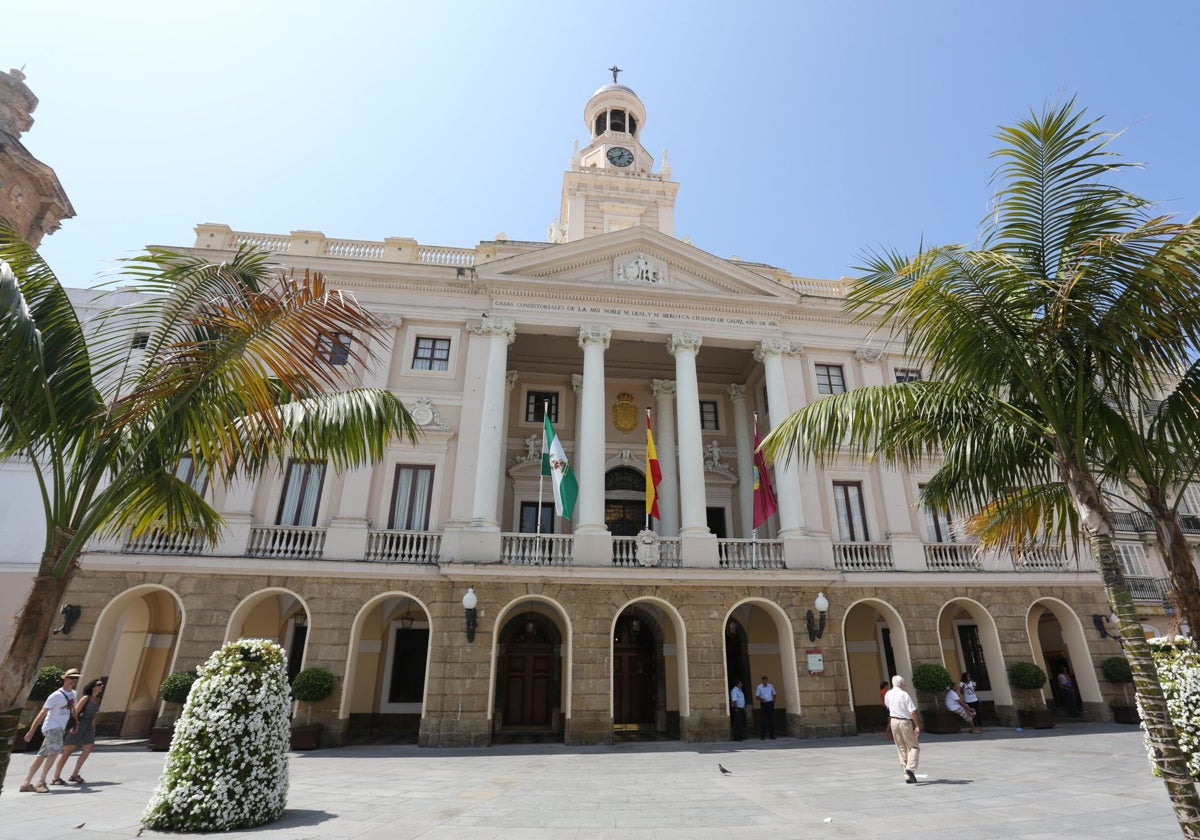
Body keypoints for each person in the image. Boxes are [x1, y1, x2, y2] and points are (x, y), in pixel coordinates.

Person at [20, 667, 80, 793]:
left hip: (60, 728)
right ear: (65, 679)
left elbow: (73, 709)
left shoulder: (73, 694)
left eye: (75, 678)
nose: (73, 680)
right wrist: (31, 731)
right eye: (71, 678)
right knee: (54, 752)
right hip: (52, 727)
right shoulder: (56, 695)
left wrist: (76, 722)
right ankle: (41, 781)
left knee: (42, 754)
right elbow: (42, 713)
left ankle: (26, 782)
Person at [53, 675, 106, 785]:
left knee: (88, 748)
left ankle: (75, 774)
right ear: (93, 687)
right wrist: (75, 725)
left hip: (88, 727)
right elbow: (75, 712)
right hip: (79, 725)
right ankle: (56, 777)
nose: (102, 686)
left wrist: (93, 729)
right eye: (99, 684)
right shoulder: (86, 698)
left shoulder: (97, 700)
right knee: (68, 751)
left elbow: (93, 716)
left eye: (102, 684)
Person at [884, 674, 921, 783]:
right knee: (914, 746)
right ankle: (910, 767)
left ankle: (907, 775)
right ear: (901, 684)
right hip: (904, 721)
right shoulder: (904, 694)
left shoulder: (888, 694)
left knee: (901, 748)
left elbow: (887, 706)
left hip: (893, 721)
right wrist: (917, 725)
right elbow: (912, 711)